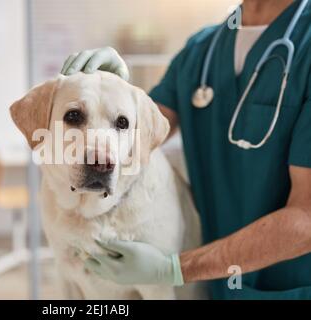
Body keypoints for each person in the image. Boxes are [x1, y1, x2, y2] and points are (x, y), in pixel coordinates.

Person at [60, 0, 311, 299]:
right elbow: (139, 134)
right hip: (213, 287)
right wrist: (113, 92)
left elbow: (306, 217)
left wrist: (173, 269)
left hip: (289, 288)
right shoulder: (200, 51)